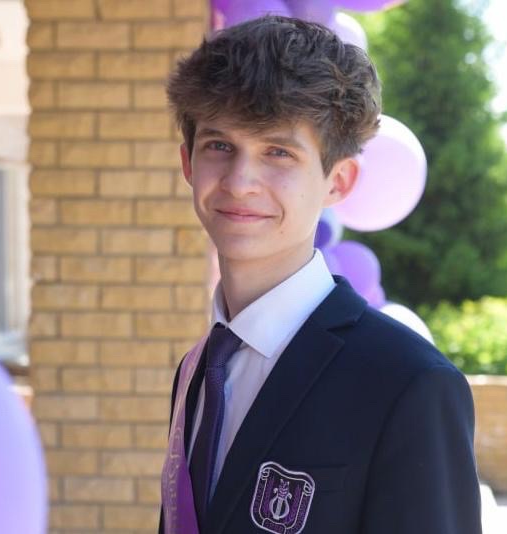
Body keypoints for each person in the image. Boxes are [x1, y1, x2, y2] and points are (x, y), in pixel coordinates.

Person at [159, 15, 481, 534]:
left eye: (278, 152)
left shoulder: (411, 384)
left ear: (339, 181)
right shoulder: (197, 370)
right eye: (219, 145)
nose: (240, 182)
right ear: (187, 163)